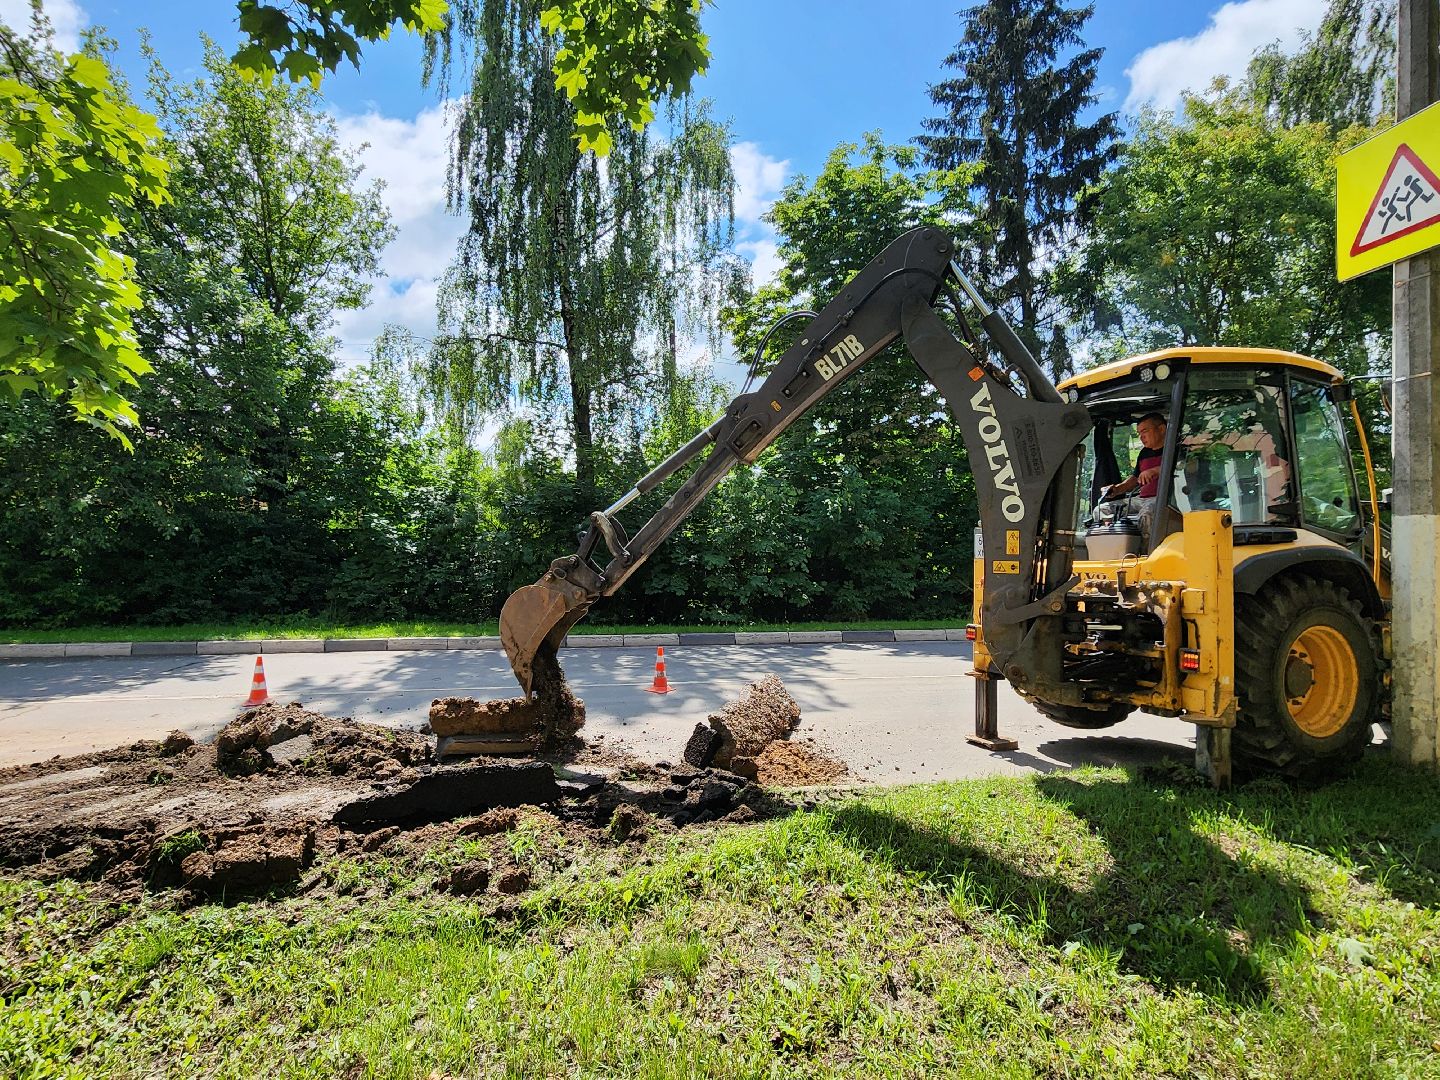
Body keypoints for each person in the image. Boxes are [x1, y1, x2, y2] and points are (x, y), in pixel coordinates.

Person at [1101, 412, 1167, 541]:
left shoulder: (1176, 449)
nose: (1141, 437)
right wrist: (1117, 489)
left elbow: (1183, 467)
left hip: (1164, 499)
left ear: (1161, 429)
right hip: (1140, 499)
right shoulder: (1144, 453)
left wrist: (1156, 470)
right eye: (1139, 433)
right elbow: (1135, 478)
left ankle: (1146, 553)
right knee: (1102, 510)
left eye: (1145, 431)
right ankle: (1110, 547)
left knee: (1147, 513)